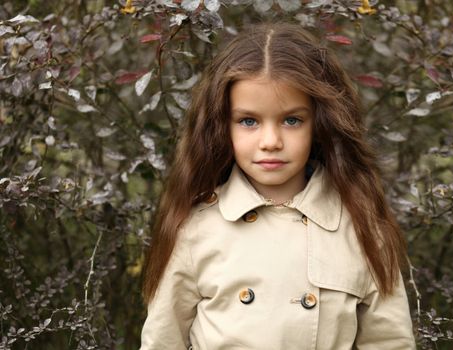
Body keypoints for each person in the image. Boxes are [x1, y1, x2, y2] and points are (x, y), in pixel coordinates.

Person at [140, 22, 416, 349]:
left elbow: (390, 342)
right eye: (249, 121)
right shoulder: (195, 227)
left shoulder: (360, 225)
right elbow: (162, 341)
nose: (270, 141)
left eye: (291, 120)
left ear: (320, 124)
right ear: (221, 126)